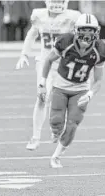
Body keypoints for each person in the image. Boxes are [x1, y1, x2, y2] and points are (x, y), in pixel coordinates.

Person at [37, 13, 105, 168]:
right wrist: (42, 83)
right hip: (60, 86)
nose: (87, 34)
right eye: (84, 29)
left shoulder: (99, 50)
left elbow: (98, 80)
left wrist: (89, 95)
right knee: (56, 122)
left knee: (73, 124)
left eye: (91, 30)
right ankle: (55, 131)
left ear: (96, 32)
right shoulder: (66, 42)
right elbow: (49, 60)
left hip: (81, 90)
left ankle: (56, 156)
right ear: (76, 30)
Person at [15, 0, 81, 150]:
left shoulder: (73, 17)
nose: (57, 3)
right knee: (42, 97)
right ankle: (36, 137)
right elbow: (32, 34)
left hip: (65, 65)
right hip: (46, 64)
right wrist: (24, 53)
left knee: (62, 98)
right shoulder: (40, 16)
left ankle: (56, 130)